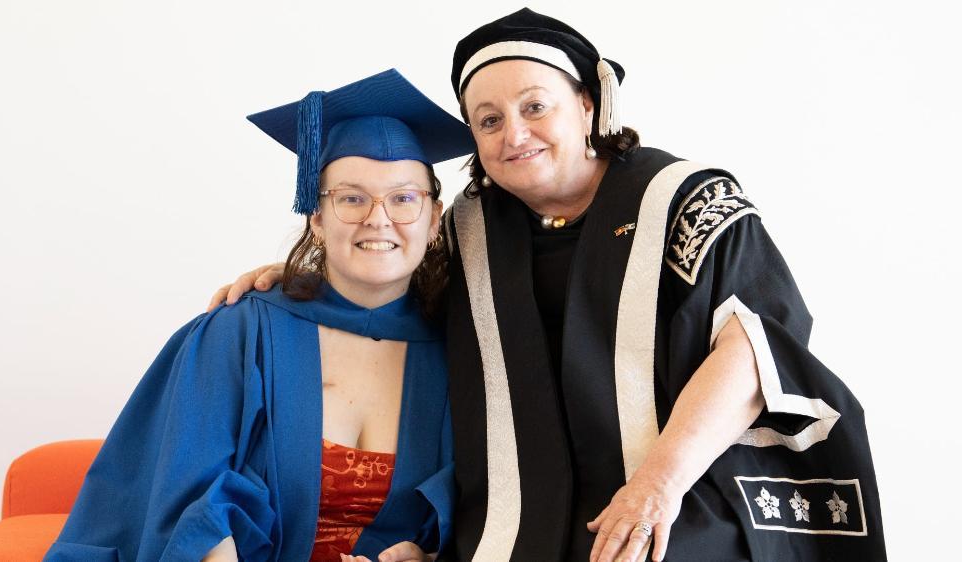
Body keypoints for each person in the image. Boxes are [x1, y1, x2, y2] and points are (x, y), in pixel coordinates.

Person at [210, 9, 886, 562]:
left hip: (681, 495)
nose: (514, 133)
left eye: (535, 106)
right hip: (522, 514)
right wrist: (301, 276)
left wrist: (654, 486)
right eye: (488, 120)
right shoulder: (474, 227)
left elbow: (752, 353)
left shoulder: (685, 201)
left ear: (588, 104)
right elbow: (388, 283)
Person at [45, 69, 474, 562]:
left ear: (434, 217)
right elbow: (192, 499)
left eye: (404, 198)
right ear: (316, 217)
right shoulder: (241, 331)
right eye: (351, 198)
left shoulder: (463, 350)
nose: (378, 218)